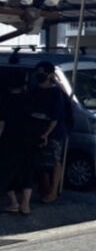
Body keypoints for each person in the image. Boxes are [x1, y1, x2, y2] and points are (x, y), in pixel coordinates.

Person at [28, 63, 69, 203]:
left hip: (54, 133)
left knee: (55, 161)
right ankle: (45, 188)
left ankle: (54, 192)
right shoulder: (34, 91)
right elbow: (30, 111)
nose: (39, 74)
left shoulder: (56, 92)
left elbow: (55, 117)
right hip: (36, 131)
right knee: (40, 162)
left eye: (42, 72)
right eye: (38, 71)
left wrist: (46, 133)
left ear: (50, 74)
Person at [1, 79, 31, 215]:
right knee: (26, 171)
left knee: (6, 171)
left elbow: (2, 124)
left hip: (10, 140)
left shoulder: (6, 101)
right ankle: (25, 204)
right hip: (28, 140)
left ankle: (13, 202)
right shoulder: (29, 99)